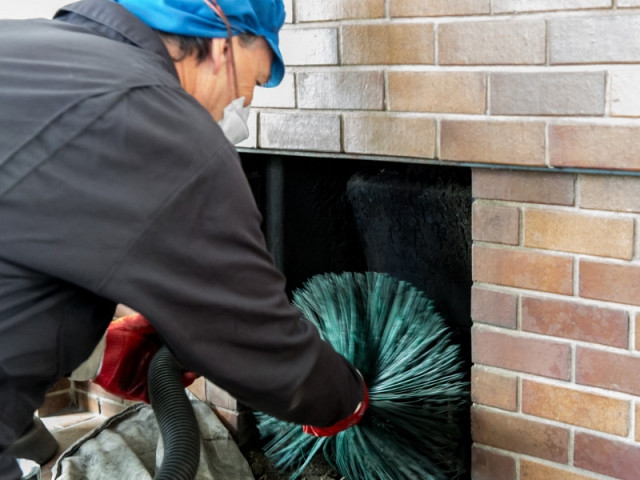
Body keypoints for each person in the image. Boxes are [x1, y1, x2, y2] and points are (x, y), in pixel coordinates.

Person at [0, 0, 367, 478]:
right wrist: (346, 397)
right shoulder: (153, 115)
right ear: (221, 45)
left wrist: (95, 338)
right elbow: (253, 334)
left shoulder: (27, 48)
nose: (246, 105)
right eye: (251, 83)